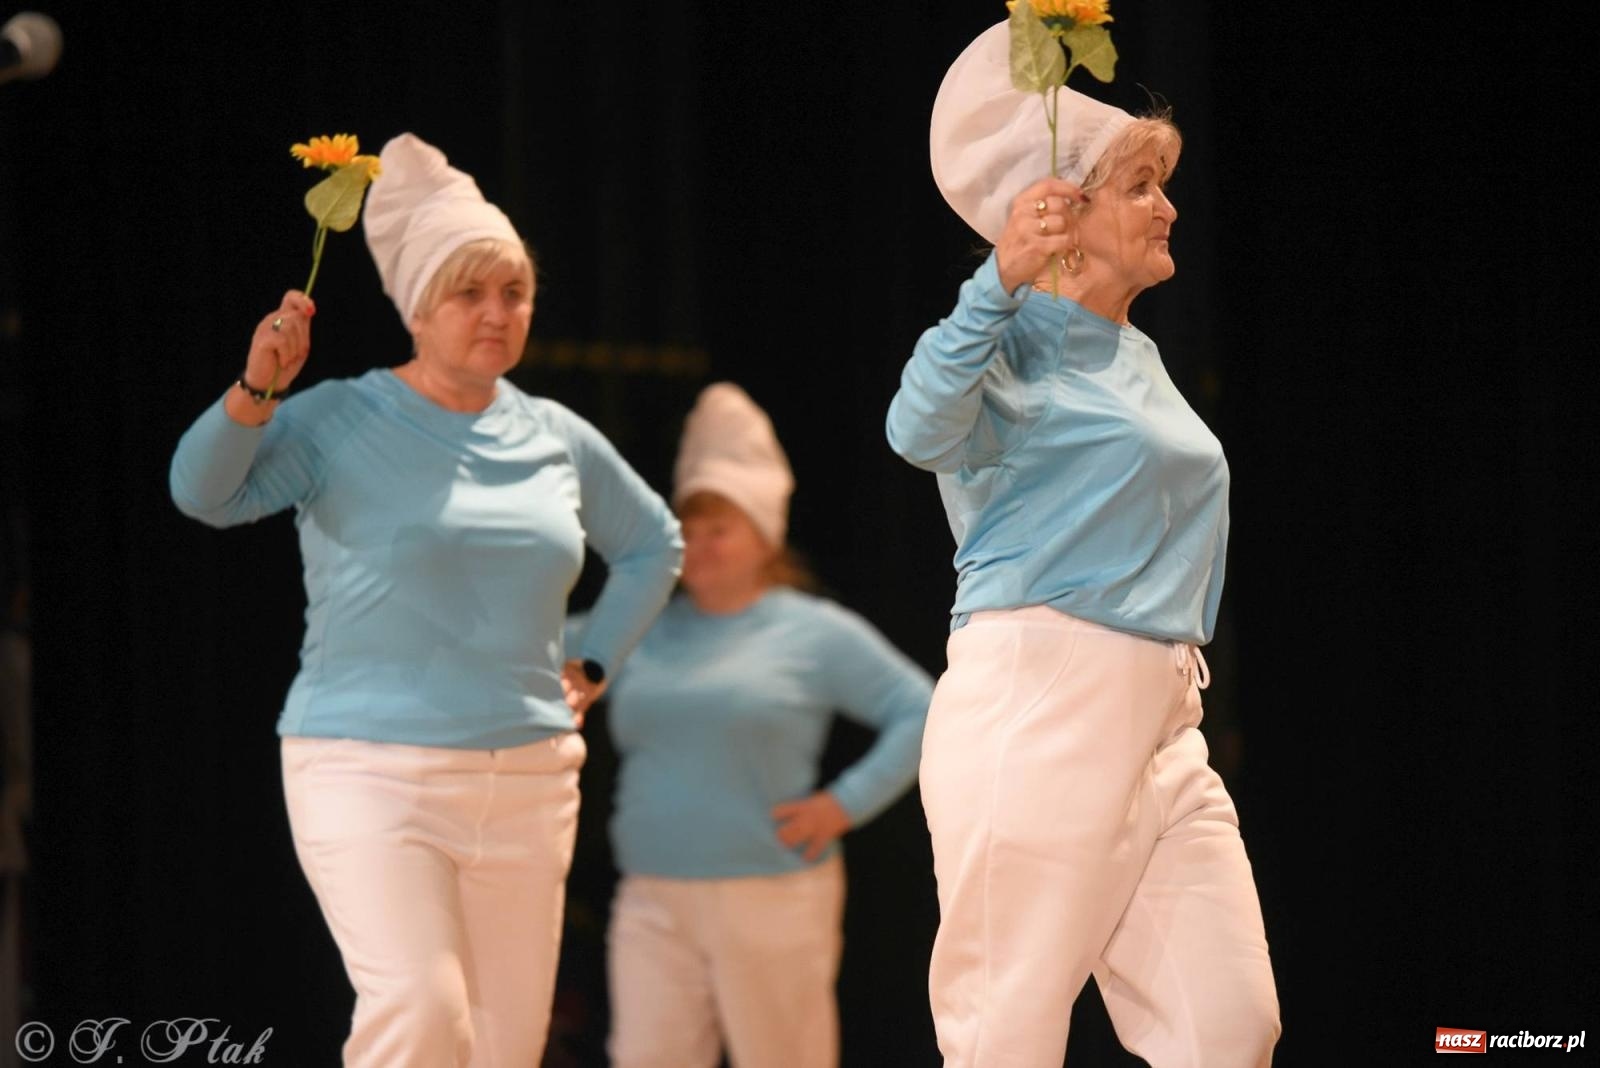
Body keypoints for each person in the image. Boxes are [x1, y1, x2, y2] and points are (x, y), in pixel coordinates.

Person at [169, 132, 683, 1068]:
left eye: (514, 292)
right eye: (469, 292)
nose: (497, 313)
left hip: (528, 782)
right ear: (417, 306)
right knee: (420, 1007)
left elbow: (655, 545)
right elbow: (202, 493)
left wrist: (595, 657)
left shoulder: (557, 437)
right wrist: (256, 391)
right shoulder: (339, 416)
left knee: (502, 1047)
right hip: (368, 770)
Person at [885, 21, 1281, 1067]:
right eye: (1142, 184)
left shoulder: (1134, 355)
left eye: (1163, 181)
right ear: (1061, 213)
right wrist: (995, 285)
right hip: (1042, 698)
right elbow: (914, 429)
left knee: (1228, 1027)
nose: (1169, 204)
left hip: (1162, 718)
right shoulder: (1002, 336)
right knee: (1004, 1030)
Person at [582, 383, 933, 1068]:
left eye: (722, 527)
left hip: (771, 894)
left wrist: (845, 804)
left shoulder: (811, 632)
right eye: (691, 527)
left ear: (763, 535)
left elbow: (921, 711)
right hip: (652, 894)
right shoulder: (640, 627)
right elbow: (536, 650)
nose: (703, 545)